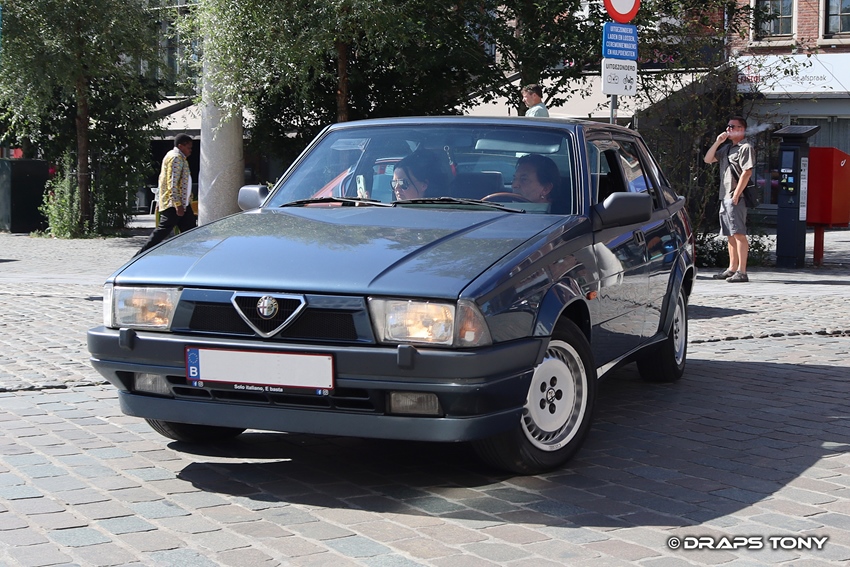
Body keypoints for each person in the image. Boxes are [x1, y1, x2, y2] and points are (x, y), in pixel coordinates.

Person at [703, 116, 754, 283]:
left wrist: (737, 194)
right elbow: (708, 159)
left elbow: (747, 172)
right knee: (730, 234)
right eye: (728, 126)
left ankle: (742, 271)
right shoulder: (726, 149)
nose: (728, 129)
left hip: (735, 197)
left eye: (733, 126)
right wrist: (718, 142)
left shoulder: (745, 147)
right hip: (724, 196)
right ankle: (732, 268)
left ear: (741, 129)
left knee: (739, 233)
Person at [136, 134, 196, 256]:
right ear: (181, 146)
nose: (190, 150)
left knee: (190, 232)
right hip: (174, 205)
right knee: (161, 232)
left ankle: (191, 256)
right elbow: (172, 182)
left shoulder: (177, 157)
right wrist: (177, 204)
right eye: (188, 147)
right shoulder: (176, 158)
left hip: (182, 203)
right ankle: (139, 256)